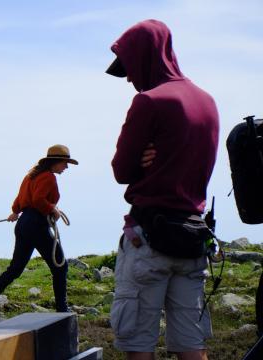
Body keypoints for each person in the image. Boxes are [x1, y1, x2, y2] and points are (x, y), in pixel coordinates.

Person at [106, 20, 219, 360]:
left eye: (129, 65)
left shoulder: (148, 102)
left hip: (149, 239)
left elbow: (121, 171)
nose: (128, 77)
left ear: (145, 56)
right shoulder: (208, 102)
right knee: (191, 345)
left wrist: (141, 161)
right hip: (192, 238)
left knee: (138, 344)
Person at [0, 144, 77, 312]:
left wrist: (16, 212)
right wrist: (52, 209)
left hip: (24, 223)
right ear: (55, 162)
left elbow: (19, 200)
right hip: (36, 223)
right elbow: (39, 200)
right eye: (65, 163)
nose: (66, 167)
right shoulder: (49, 177)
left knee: (15, 269)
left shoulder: (30, 176)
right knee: (60, 266)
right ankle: (62, 309)